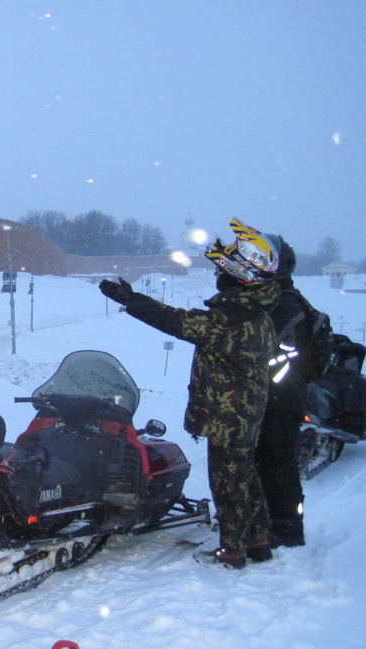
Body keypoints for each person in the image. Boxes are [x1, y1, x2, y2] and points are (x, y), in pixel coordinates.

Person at [99, 218, 281, 570]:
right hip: (245, 411)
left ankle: (233, 550)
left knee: (228, 483)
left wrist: (130, 299)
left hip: (230, 415)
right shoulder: (254, 311)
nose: (217, 275)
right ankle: (257, 537)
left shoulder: (233, 317)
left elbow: (177, 322)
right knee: (244, 474)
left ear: (241, 273)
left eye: (222, 270)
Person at [255, 238, 320, 548]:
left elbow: (264, 356)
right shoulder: (293, 300)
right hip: (287, 396)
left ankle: (283, 527)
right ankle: (280, 524)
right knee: (278, 463)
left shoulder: (278, 304)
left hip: (275, 399)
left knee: (274, 463)